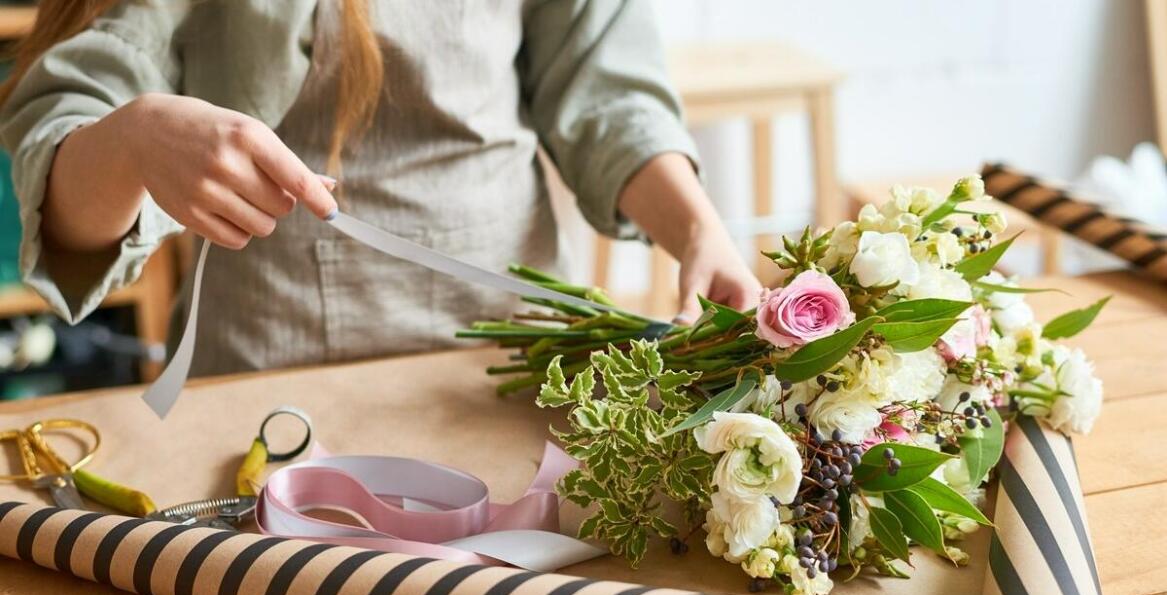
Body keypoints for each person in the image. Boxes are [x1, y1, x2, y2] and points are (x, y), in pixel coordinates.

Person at [0, 0, 760, 376]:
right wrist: (131, 140)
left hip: (521, 368)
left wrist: (697, 230)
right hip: (271, 377)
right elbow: (64, 196)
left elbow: (604, 92)